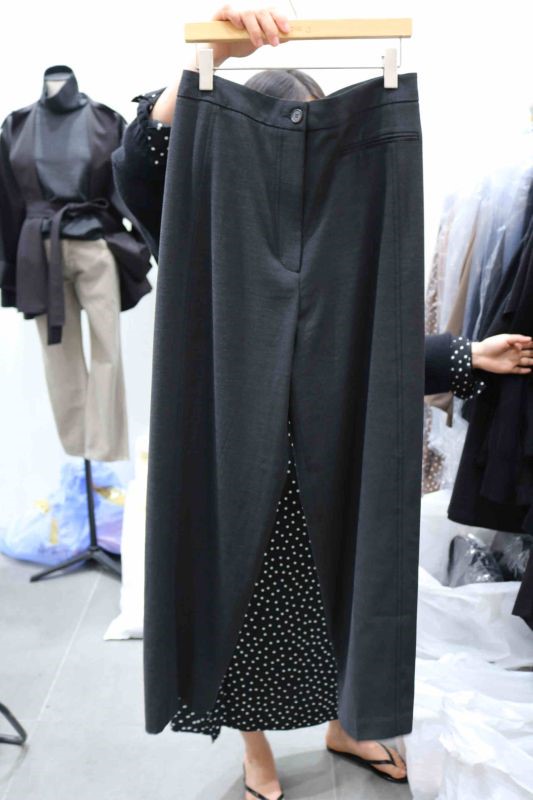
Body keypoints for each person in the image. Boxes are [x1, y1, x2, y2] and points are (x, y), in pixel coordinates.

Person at [112, 6, 533, 799]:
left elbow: (364, 352)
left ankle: (347, 722)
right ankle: (255, 751)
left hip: (325, 458)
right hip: (230, 449)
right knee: (238, 603)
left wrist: (466, 355)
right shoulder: (197, 213)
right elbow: (140, 163)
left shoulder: (343, 221)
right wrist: (208, 61)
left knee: (341, 590)